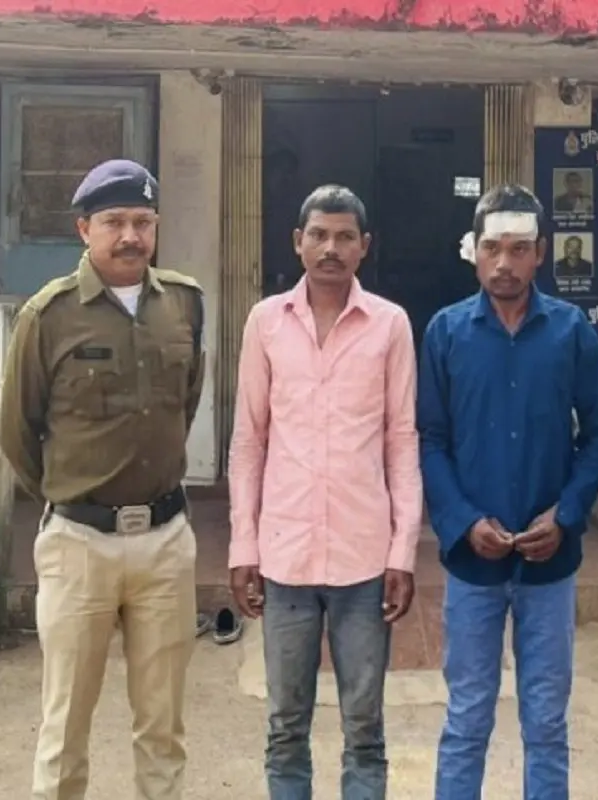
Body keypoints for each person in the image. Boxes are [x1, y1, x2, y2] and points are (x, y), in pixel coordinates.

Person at [0, 158, 206, 800]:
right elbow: (17, 431)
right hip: (79, 545)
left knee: (163, 730)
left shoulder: (184, 305)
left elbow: (185, 404)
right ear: (84, 229)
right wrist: (74, 496)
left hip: (165, 543)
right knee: (65, 729)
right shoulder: (49, 315)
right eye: (114, 222)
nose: (130, 237)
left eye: (143, 222)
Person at [418, 184, 598, 800]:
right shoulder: (446, 333)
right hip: (472, 564)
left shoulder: (570, 332)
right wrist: (462, 520)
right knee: (466, 720)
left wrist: (568, 514)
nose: (504, 263)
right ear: (473, 252)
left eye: (519, 249)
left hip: (548, 565)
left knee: (547, 724)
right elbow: (430, 440)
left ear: (541, 254)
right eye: (492, 248)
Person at [227, 184, 423, 800]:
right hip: (284, 556)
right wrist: (243, 545)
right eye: (318, 235)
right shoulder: (265, 323)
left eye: (344, 237)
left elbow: (401, 441)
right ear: (298, 242)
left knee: (364, 728)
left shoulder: (389, 325)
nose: (330, 248)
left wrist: (402, 552)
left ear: (365, 247)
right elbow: (249, 441)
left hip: (364, 560)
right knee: (286, 727)